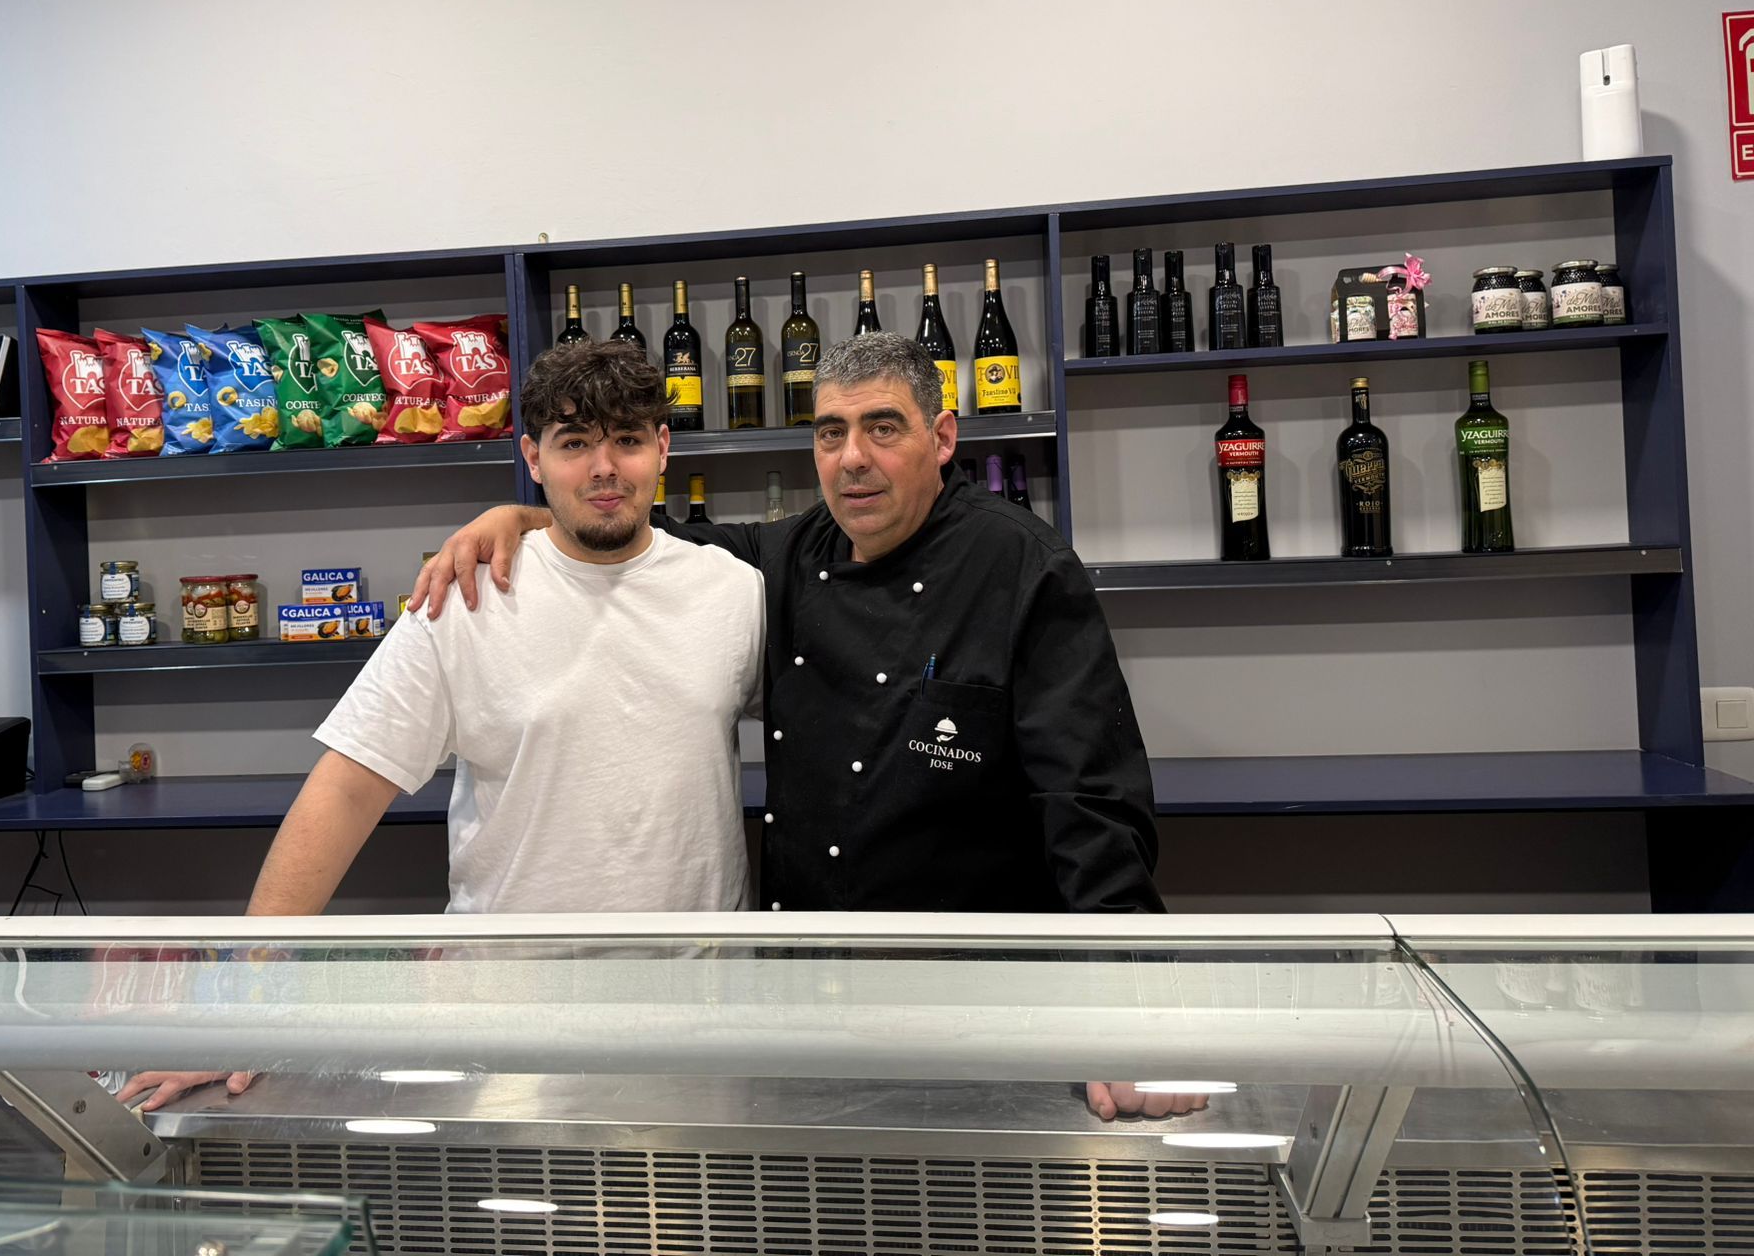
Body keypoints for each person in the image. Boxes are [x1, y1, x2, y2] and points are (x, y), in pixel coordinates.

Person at [414, 331, 1190, 1120]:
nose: (853, 457)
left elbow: (1090, 804)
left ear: (943, 437)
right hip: (804, 1006)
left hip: (979, 1008)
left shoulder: (1024, 567)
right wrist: (522, 514)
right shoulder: (786, 557)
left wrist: (1129, 1008)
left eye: (883, 428)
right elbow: (635, 538)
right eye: (830, 433)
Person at [119, 339, 764, 1111]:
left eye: (627, 440)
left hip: (697, 1011)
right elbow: (346, 791)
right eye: (575, 444)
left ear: (663, 448)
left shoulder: (734, 593)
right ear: (532, 455)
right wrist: (235, 999)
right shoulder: (465, 598)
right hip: (506, 1015)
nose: (603, 468)